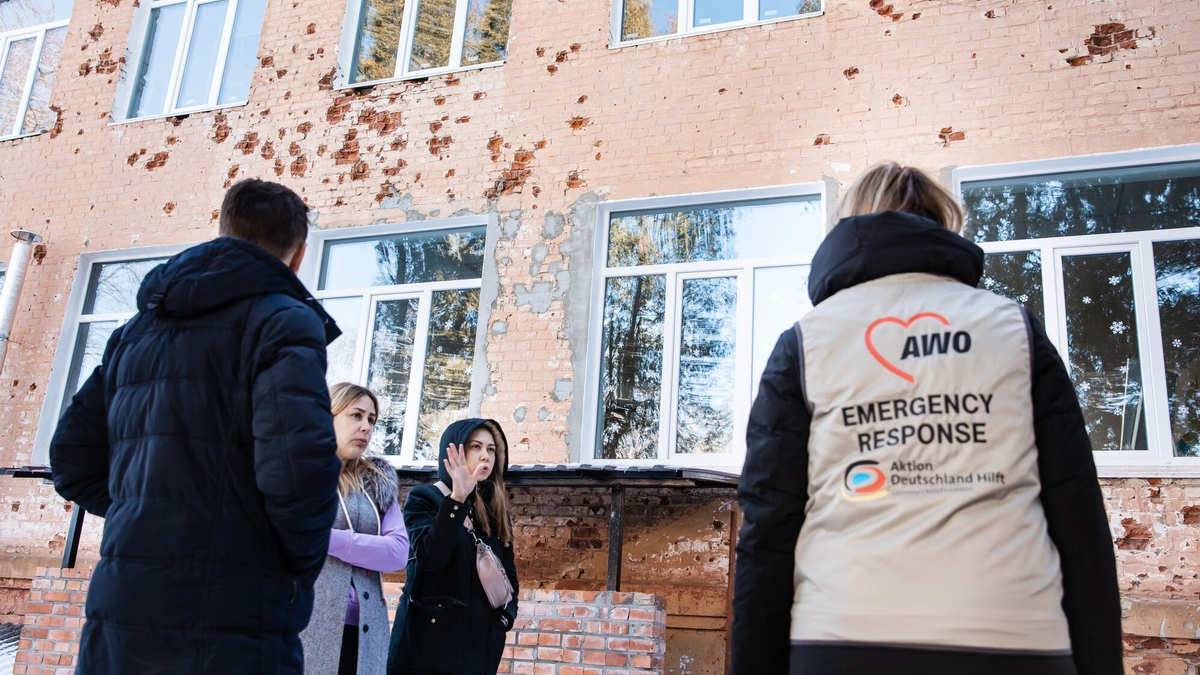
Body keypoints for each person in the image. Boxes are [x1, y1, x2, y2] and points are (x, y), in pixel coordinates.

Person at [731, 162, 1122, 675]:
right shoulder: (1013, 327)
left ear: (851, 226)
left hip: (844, 636)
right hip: (1015, 635)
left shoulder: (807, 341)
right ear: (942, 225)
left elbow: (769, 528)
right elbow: (1077, 517)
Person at [49, 178, 342, 675]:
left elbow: (71, 459)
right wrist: (292, 565)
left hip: (124, 608)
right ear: (298, 256)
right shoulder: (284, 320)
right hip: (233, 614)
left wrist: (147, 512)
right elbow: (298, 472)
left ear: (223, 230)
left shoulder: (134, 331)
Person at [387, 419, 519, 675]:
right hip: (429, 648)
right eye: (476, 447)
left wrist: (503, 619)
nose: (485, 456)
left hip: (477, 648)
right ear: (454, 451)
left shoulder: (494, 513)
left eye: (491, 449)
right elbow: (429, 559)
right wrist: (456, 500)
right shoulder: (425, 498)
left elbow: (510, 576)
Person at [301, 383, 409, 675]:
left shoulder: (378, 480)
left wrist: (324, 538)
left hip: (366, 627)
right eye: (356, 415)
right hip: (309, 622)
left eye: (372, 420)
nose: (366, 427)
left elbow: (397, 552)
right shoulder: (299, 472)